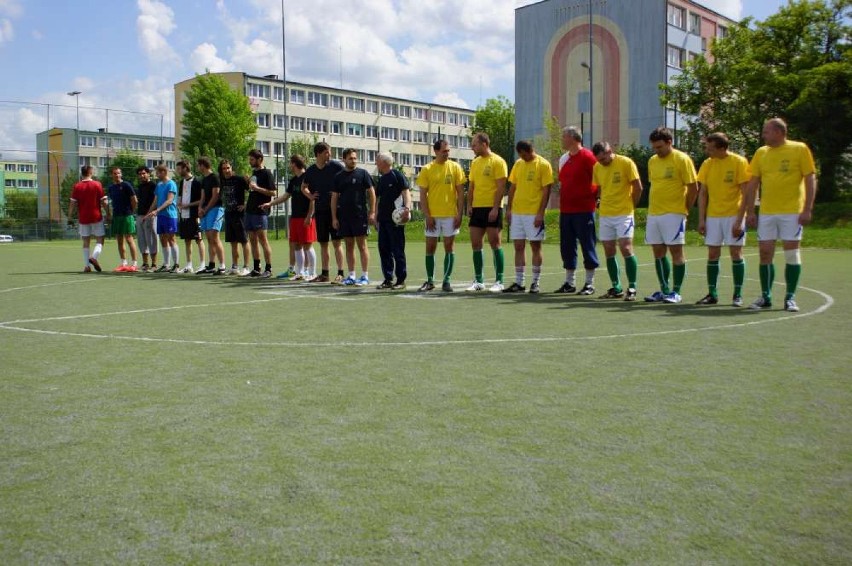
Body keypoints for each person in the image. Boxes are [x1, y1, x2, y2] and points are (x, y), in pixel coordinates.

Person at [743, 118, 817, 312]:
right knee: (765, 253)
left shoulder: (799, 149)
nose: (763, 135)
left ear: (778, 132)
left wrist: (807, 208)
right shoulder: (761, 153)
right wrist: (750, 211)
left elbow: (810, 178)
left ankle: (790, 297)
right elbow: (753, 184)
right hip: (767, 212)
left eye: (766, 132)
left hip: (792, 211)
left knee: (791, 254)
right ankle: (766, 296)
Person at [644, 126, 699, 304]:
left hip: (674, 213)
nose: (657, 151)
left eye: (660, 147)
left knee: (676, 251)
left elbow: (693, 188)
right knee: (658, 252)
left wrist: (685, 209)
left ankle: (676, 291)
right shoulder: (652, 161)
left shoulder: (682, 159)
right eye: (654, 148)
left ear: (670, 142)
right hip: (654, 213)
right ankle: (664, 289)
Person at [695, 132, 751, 306]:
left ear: (721, 148)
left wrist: (740, 219)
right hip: (713, 217)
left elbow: (746, 193)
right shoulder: (707, 164)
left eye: (709, 148)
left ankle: (738, 294)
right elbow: (703, 193)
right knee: (712, 254)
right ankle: (712, 293)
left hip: (734, 215)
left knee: (736, 253)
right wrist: (702, 219)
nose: (706, 151)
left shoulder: (739, 162)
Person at [591, 142, 643, 301]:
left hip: (624, 214)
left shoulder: (626, 163)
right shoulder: (597, 167)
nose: (602, 162)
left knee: (626, 248)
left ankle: (632, 287)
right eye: (599, 159)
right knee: (608, 250)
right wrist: (599, 201)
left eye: (604, 158)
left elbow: (638, 187)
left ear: (610, 151)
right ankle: (616, 287)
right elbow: (599, 187)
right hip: (606, 214)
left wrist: (631, 206)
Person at [416, 139, 467, 292]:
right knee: (430, 247)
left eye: (448, 151)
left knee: (449, 247)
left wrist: (459, 214)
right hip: (432, 215)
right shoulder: (427, 169)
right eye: (444, 151)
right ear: (436, 151)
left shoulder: (455, 167)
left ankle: (446, 280)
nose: (447, 153)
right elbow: (423, 195)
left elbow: (460, 193)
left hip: (450, 215)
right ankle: (430, 280)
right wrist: (427, 215)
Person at [503, 140, 553, 294]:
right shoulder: (518, 164)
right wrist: (509, 209)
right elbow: (513, 188)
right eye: (521, 155)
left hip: (533, 214)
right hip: (517, 213)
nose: (523, 157)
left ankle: (535, 283)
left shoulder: (544, 165)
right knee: (518, 246)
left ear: (530, 150)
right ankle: (519, 282)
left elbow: (546, 191)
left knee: (535, 247)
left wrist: (540, 213)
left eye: (525, 154)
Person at [555, 126, 599, 295]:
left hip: (584, 210)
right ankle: (569, 282)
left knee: (588, 245)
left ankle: (589, 283)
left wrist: (595, 199)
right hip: (566, 210)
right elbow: (563, 182)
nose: (562, 140)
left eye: (564, 136)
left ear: (573, 138)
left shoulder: (588, 157)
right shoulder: (563, 159)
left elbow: (598, 181)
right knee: (567, 247)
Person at [261, 154, 316, 280]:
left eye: (290, 163)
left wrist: (310, 216)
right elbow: (285, 196)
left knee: (307, 245)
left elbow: (313, 198)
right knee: (296, 245)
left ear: (295, 164)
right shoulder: (293, 180)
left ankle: (312, 273)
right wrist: (270, 203)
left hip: (306, 217)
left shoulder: (307, 178)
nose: (289, 165)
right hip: (295, 217)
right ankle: (300, 272)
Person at [465, 132, 508, 292]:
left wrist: (496, 208)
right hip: (477, 208)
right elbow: (471, 186)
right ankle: (479, 280)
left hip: (492, 208)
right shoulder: (475, 163)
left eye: (474, 144)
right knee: (476, 243)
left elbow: (501, 187)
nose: (472, 147)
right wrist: (469, 205)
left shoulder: (498, 161)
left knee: (495, 243)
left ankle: (499, 281)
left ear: (484, 144)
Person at [331, 148, 376, 286]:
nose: (353, 160)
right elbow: (334, 198)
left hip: (360, 216)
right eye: (350, 158)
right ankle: (351, 276)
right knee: (349, 246)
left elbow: (372, 193)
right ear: (344, 159)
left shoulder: (363, 174)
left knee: (362, 246)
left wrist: (372, 212)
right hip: (344, 217)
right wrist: (334, 217)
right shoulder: (338, 176)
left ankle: (364, 276)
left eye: (355, 158)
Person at [303, 142, 345, 283]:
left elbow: (345, 180)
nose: (330, 154)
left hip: (336, 211)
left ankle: (341, 273)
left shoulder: (336, 166)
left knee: (337, 243)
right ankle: (325, 274)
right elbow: (304, 187)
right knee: (323, 243)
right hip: (320, 212)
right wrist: (310, 196)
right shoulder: (310, 171)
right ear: (319, 153)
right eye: (327, 152)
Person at [374, 152, 411, 289]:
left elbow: (406, 192)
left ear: (384, 162)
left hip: (396, 221)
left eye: (377, 160)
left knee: (397, 250)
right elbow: (378, 200)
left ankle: (401, 280)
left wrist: (407, 209)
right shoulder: (382, 179)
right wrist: (376, 216)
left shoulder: (397, 175)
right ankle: (388, 278)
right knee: (384, 249)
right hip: (383, 220)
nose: (376, 163)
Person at [68, 165, 108, 273]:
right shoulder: (97, 184)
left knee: (86, 241)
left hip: (83, 218)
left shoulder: (77, 186)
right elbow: (104, 202)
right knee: (100, 239)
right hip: (96, 216)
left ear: (82, 173)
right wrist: (109, 213)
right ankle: (94, 257)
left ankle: (86, 266)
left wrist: (70, 216)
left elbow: (72, 203)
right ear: (91, 172)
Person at [244, 149, 276, 277]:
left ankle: (268, 269)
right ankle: (256, 268)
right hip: (250, 211)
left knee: (263, 240)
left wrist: (257, 188)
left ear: (259, 159)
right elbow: (252, 190)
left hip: (260, 211)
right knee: (252, 240)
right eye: (250, 159)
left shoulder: (267, 173)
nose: (250, 161)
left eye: (252, 159)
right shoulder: (253, 173)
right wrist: (248, 182)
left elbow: (273, 192)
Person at [219, 159, 251, 275]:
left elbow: (253, 191)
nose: (226, 170)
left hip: (240, 215)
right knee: (233, 242)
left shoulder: (239, 179)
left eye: (228, 168)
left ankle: (246, 267)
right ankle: (234, 266)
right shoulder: (222, 181)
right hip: (228, 214)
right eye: (224, 168)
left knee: (244, 240)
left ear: (231, 168)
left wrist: (246, 205)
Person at [145, 164, 179, 273]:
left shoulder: (171, 184)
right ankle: (166, 265)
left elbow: (169, 200)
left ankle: (176, 265)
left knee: (171, 239)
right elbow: (155, 201)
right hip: (161, 216)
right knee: (163, 239)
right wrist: (148, 213)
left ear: (164, 172)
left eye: (158, 172)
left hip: (170, 215)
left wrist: (157, 210)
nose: (156, 174)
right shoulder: (159, 185)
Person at [196, 156, 226, 275]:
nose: (198, 167)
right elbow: (203, 196)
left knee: (214, 236)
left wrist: (206, 209)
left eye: (199, 165)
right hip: (206, 210)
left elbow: (215, 196)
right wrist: (200, 208)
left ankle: (222, 266)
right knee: (209, 237)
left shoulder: (215, 177)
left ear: (203, 165)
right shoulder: (204, 179)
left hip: (216, 209)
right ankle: (211, 265)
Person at [175, 160, 206, 273]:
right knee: (187, 240)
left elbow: (201, 200)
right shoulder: (182, 182)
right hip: (184, 216)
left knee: (198, 239)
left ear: (185, 168)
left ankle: (202, 264)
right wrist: (179, 203)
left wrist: (188, 205)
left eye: (179, 169)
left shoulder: (197, 182)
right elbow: (180, 197)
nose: (177, 171)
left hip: (194, 215)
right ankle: (189, 265)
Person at [106, 166, 139, 272]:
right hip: (116, 216)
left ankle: (134, 264)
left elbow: (134, 200)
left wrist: (131, 212)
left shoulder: (126, 185)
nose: (117, 175)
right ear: (112, 175)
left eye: (118, 173)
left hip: (127, 216)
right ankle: (123, 263)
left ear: (121, 174)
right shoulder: (111, 187)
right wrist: (109, 214)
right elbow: (110, 203)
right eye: (115, 173)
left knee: (129, 239)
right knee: (119, 240)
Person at [135, 166, 158, 271]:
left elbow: (156, 201)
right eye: (140, 174)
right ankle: (145, 263)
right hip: (140, 215)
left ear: (148, 174)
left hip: (150, 216)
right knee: (141, 240)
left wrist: (149, 213)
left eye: (144, 173)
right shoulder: (139, 187)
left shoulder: (153, 185)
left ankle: (154, 264)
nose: (142, 175)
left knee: (151, 239)